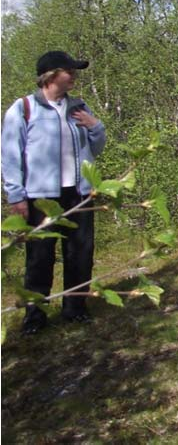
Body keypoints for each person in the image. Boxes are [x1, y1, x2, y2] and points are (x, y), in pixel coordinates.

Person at [2, 51, 107, 334]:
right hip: (41, 197)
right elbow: (10, 155)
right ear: (50, 75)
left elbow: (95, 148)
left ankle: (75, 310)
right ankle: (35, 318)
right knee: (39, 257)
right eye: (69, 71)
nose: (74, 75)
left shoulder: (78, 107)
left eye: (75, 71)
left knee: (81, 253)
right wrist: (16, 195)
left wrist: (95, 126)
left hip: (80, 192)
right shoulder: (23, 109)